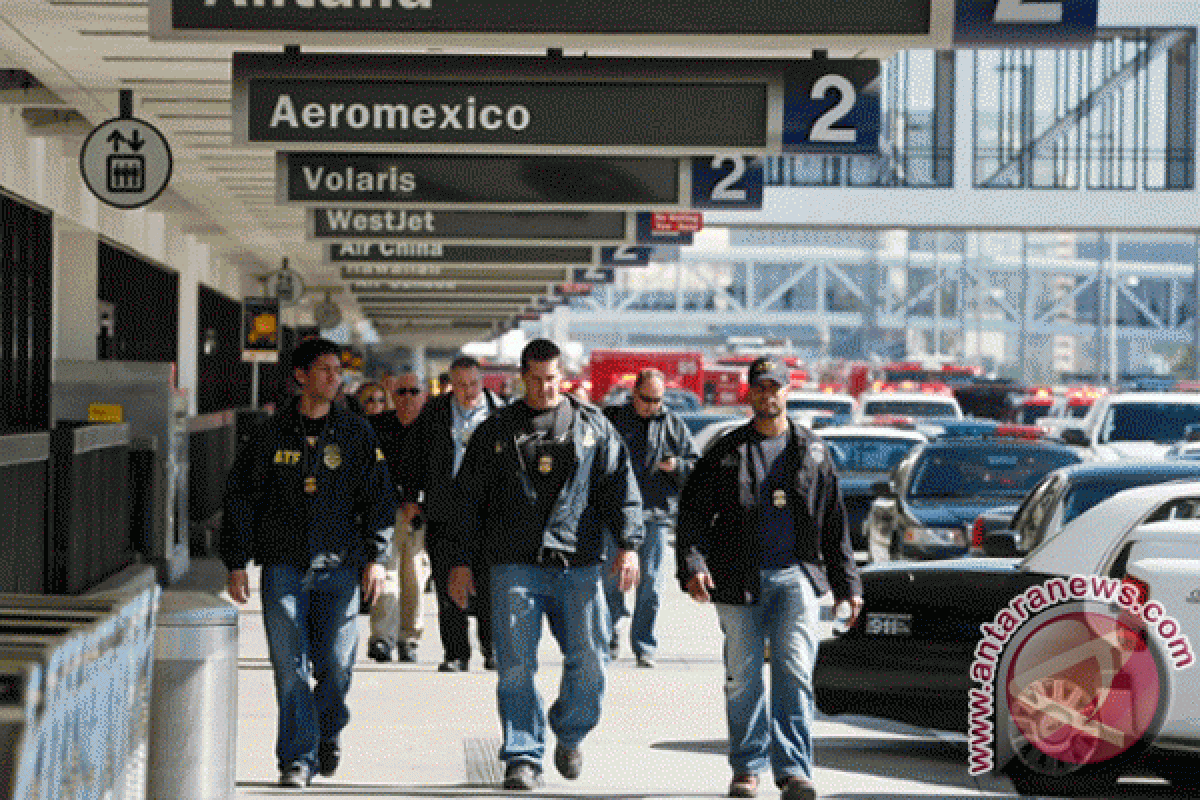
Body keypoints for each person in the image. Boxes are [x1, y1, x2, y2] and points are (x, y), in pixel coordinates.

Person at [446, 338, 643, 790]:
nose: (543, 388)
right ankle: (523, 754)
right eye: (534, 380)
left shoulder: (594, 428)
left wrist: (629, 545)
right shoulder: (496, 431)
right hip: (514, 564)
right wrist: (460, 562)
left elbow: (620, 491)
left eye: (551, 379)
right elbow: (467, 502)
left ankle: (570, 731)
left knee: (591, 660)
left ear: (562, 376)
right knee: (515, 665)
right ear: (522, 377)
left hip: (578, 564)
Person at [675, 356, 863, 800]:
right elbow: (693, 516)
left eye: (775, 386)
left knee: (794, 674)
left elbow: (835, 525)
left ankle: (795, 771)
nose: (768, 394)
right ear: (749, 393)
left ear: (787, 391)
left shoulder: (813, 451)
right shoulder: (726, 450)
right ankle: (746, 769)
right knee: (743, 678)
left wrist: (848, 587)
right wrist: (694, 565)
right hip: (737, 579)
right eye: (760, 387)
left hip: (796, 578)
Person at [218, 337, 396, 789]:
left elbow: (378, 498)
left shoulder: (357, 433)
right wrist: (236, 562)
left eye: (338, 371)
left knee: (336, 668)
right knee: (289, 665)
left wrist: (377, 556)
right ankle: (296, 758)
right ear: (300, 376)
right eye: (325, 371)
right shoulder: (269, 434)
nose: (334, 379)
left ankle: (328, 730)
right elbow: (240, 497)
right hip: (284, 566)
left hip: (340, 566)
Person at [407, 355, 506, 672]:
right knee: (447, 583)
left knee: (490, 584)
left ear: (482, 381)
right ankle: (455, 652)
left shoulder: (500, 413)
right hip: (444, 511)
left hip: (488, 513)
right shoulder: (434, 413)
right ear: (451, 384)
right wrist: (411, 498)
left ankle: (492, 648)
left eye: (474, 384)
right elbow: (415, 457)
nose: (468, 391)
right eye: (461, 385)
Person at [602, 368, 699, 667]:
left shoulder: (673, 425)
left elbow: (695, 466)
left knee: (651, 585)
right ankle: (610, 632)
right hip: (616, 514)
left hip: (655, 514)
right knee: (610, 580)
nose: (651, 406)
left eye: (657, 400)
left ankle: (644, 645)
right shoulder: (614, 420)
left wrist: (677, 466)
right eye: (646, 399)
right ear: (634, 394)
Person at [365, 370, 431, 663]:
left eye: (413, 392)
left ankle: (409, 638)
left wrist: (418, 501)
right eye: (401, 392)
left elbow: (440, 474)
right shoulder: (376, 427)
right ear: (392, 395)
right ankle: (382, 637)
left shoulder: (435, 430)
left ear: (424, 395)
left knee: (415, 574)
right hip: (385, 512)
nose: (407, 398)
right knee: (385, 571)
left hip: (419, 513)